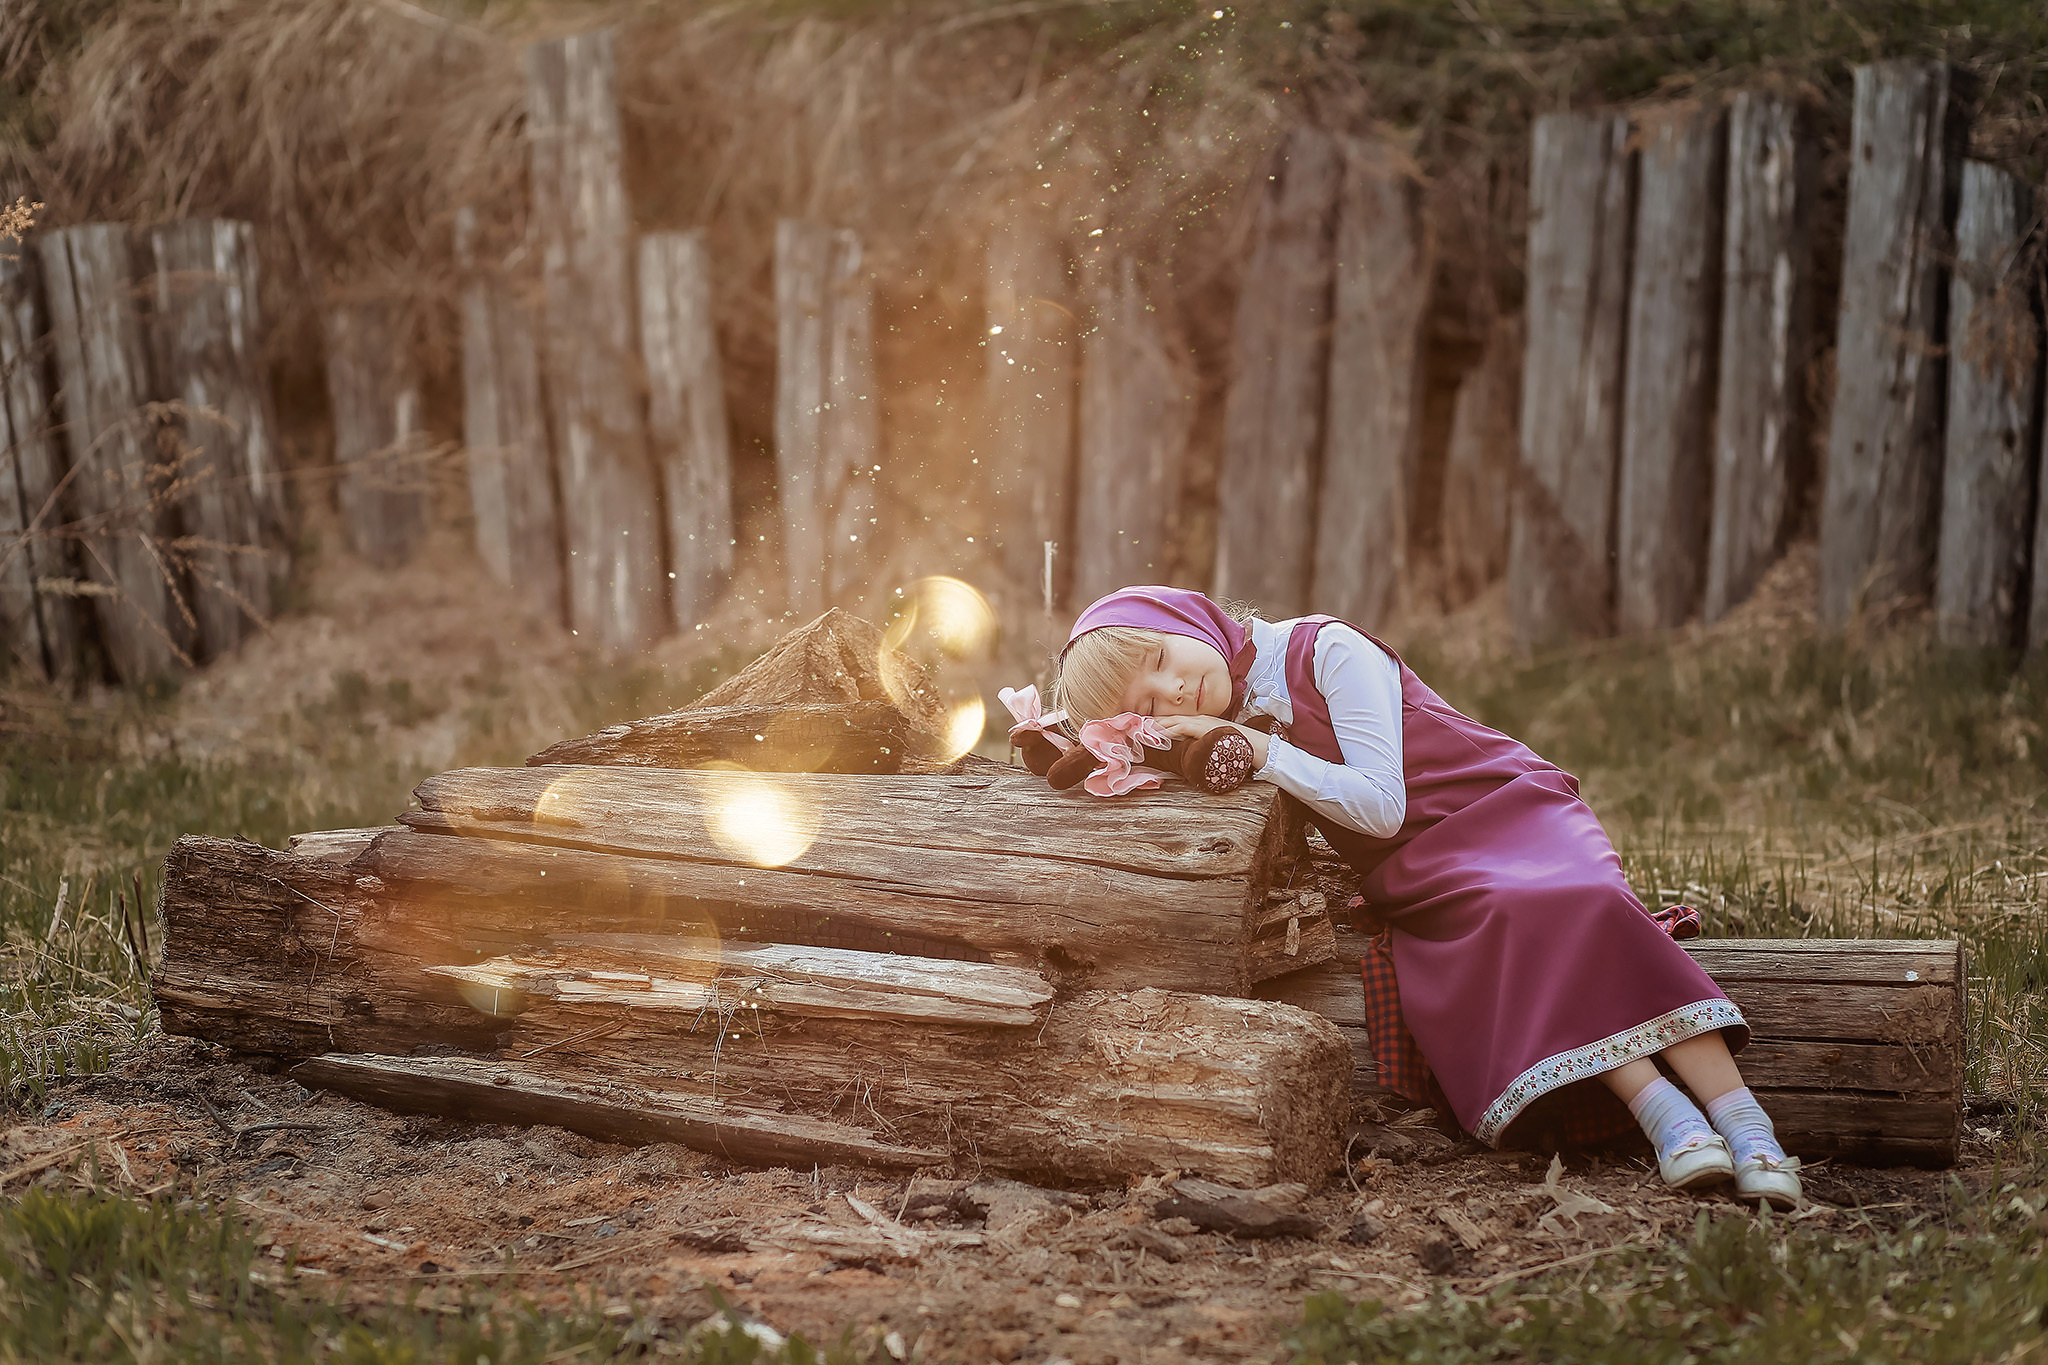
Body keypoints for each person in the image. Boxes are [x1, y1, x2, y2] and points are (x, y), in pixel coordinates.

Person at [1050, 585, 1800, 1208]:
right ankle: (1664, 1112)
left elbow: (1382, 805)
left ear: (1185, 619)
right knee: (1515, 921)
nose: (1174, 688)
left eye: (1160, 658)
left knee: (1583, 899)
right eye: (1148, 703)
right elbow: (1122, 768)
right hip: (1427, 873)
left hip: (1508, 809)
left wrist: (1268, 753)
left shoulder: (1323, 650)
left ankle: (1745, 1119)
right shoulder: (1221, 727)